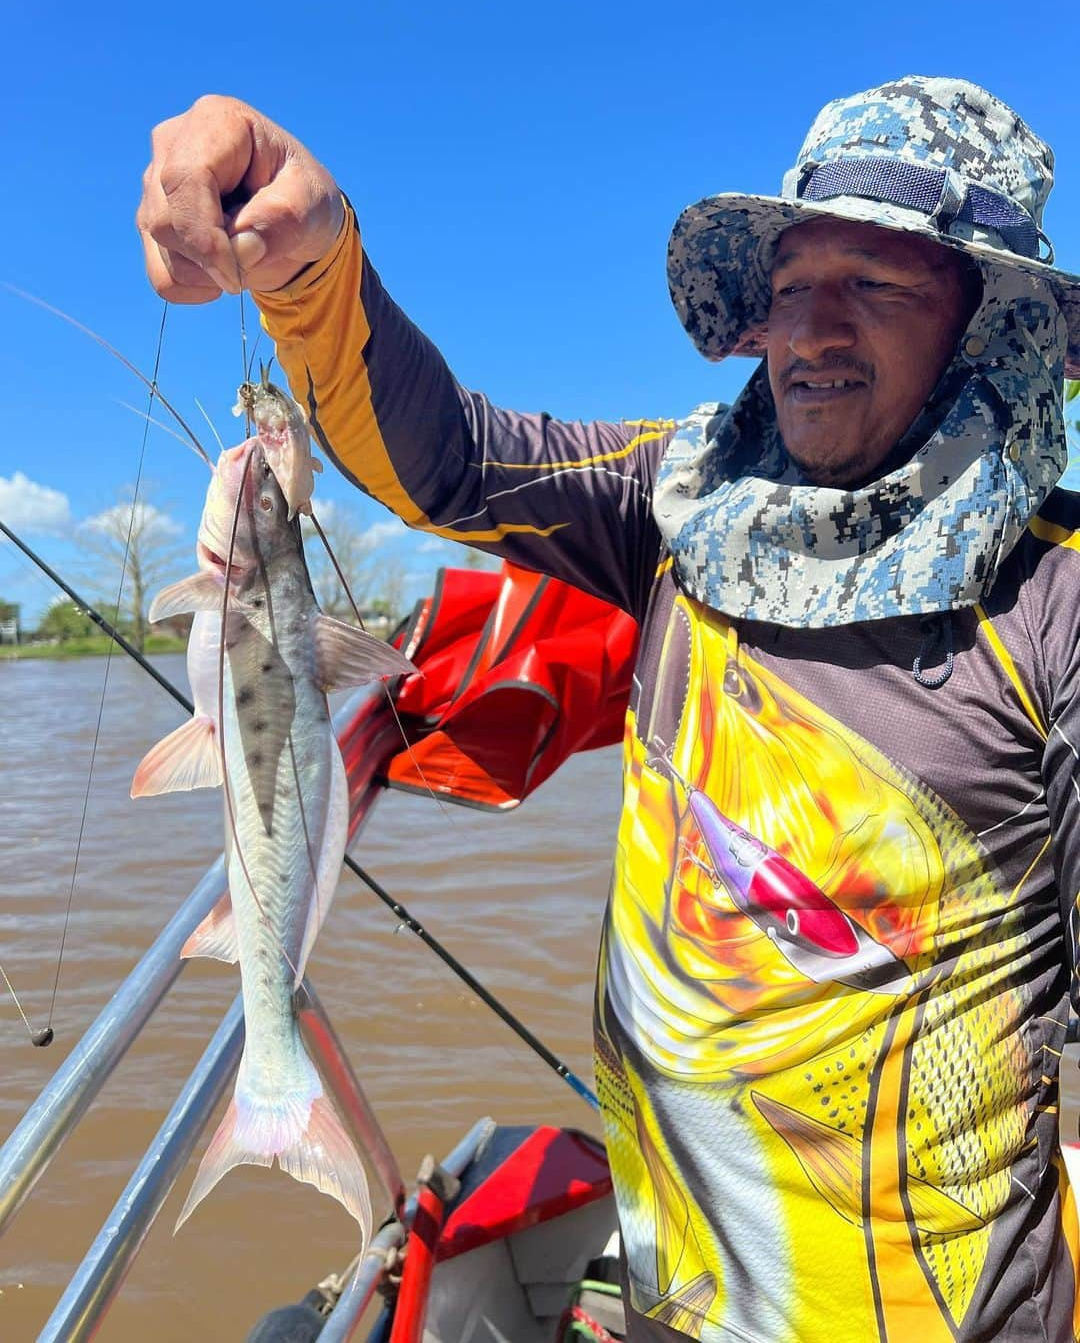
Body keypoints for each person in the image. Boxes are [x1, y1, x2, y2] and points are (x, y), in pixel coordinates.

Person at [139, 77, 1080, 1342]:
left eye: (882, 285)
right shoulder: (677, 499)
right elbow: (459, 462)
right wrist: (310, 268)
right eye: (792, 284)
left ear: (983, 327)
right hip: (668, 1289)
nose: (815, 331)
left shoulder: (1052, 600)